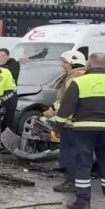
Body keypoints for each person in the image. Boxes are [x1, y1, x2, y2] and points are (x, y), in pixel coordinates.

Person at [52, 52, 105, 209]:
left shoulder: (79, 82)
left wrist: (56, 129)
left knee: (83, 165)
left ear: (88, 64)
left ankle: (83, 203)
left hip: (83, 130)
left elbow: (67, 108)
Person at [42, 50, 87, 193]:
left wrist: (52, 118)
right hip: (80, 124)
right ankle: (77, 181)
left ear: (73, 63)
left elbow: (67, 103)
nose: (63, 65)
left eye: (65, 62)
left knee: (69, 155)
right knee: (78, 155)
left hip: (71, 124)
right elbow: (62, 100)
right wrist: (49, 112)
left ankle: (71, 182)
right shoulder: (81, 76)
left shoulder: (73, 79)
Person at [0, 48, 20, 132]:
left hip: (9, 98)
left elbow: (11, 72)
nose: (1, 57)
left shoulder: (13, 65)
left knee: (9, 122)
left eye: (3, 55)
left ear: (8, 56)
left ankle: (9, 142)